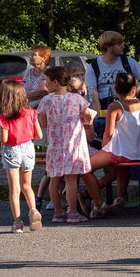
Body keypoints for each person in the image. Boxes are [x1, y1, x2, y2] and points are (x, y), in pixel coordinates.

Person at [40, 66, 102, 223]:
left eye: (47, 81)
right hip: (73, 146)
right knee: (71, 179)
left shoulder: (46, 101)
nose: (45, 85)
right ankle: (73, 212)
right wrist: (85, 124)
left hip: (54, 145)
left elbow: (43, 123)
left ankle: (58, 212)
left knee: (54, 178)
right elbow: (87, 116)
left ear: (54, 82)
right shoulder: (77, 99)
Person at [86, 72, 140, 213]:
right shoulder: (139, 103)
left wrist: (104, 148)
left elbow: (108, 133)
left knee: (84, 167)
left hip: (120, 150)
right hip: (138, 150)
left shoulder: (115, 106)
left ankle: (98, 203)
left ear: (115, 89)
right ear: (134, 89)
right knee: (118, 170)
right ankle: (120, 197)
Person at [0, 80, 43, 233]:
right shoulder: (31, 113)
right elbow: (39, 135)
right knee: (27, 186)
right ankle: (33, 210)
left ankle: (18, 223)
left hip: (12, 150)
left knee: (14, 189)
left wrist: (2, 133)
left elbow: (5, 140)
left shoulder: (3, 118)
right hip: (28, 148)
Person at [85, 31, 140, 111]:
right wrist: (98, 118)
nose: (123, 46)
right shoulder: (93, 67)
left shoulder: (127, 61)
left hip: (129, 107)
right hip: (105, 108)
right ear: (109, 47)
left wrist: (138, 91)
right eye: (119, 44)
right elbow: (93, 95)